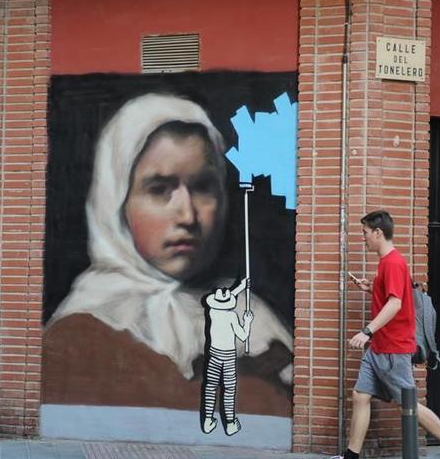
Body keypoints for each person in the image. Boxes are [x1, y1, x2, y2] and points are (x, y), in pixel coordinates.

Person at [43, 93, 293, 419]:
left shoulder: (249, 310)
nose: (187, 215)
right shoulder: (81, 328)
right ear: (116, 202)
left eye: (203, 186)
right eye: (159, 189)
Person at [333, 210, 440, 459]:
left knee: (409, 406)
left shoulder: (394, 262)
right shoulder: (386, 264)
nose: (362, 238)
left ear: (378, 232)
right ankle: (351, 457)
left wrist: (367, 331)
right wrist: (371, 287)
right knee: (360, 395)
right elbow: (394, 296)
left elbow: (396, 304)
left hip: (394, 348)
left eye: (364, 233)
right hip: (379, 347)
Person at [202, 278, 254, 435]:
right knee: (229, 389)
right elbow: (243, 336)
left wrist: (240, 287)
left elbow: (227, 297)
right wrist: (247, 321)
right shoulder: (231, 317)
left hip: (214, 355)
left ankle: (207, 420)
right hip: (228, 357)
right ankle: (230, 423)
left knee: (210, 387)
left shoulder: (212, 312)